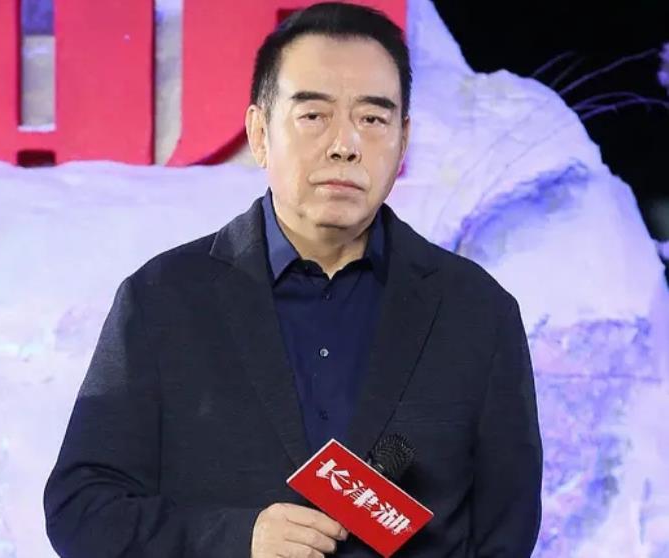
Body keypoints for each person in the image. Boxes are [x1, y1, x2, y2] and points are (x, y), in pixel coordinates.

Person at [43, 2, 542, 557]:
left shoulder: (476, 312)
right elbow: (82, 509)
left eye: (373, 119)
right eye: (314, 115)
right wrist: (238, 539)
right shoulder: (163, 300)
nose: (345, 144)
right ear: (259, 133)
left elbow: (507, 532)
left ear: (403, 140)